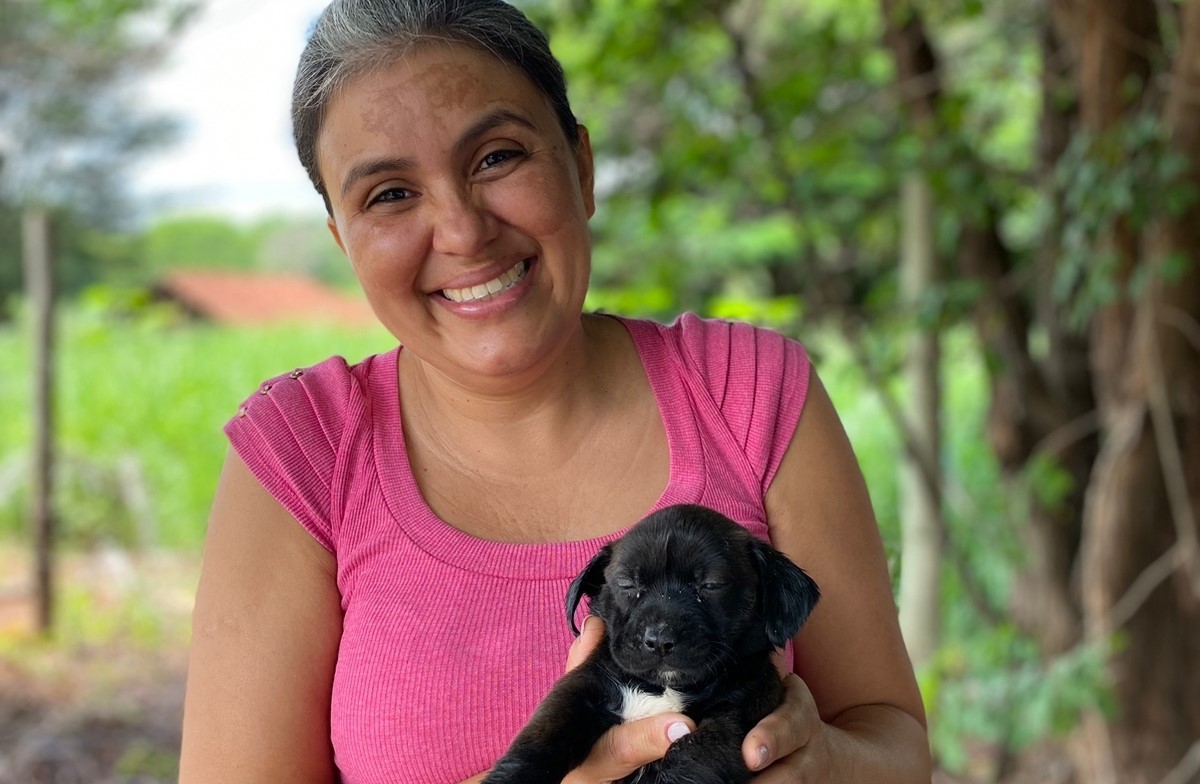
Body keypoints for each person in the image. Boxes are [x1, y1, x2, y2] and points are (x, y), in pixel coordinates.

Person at [177, 0, 932, 782]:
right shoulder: (302, 451)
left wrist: (824, 764)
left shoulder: (751, 394)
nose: (464, 232)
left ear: (582, 166)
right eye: (390, 195)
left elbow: (891, 740)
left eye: (497, 157)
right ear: (342, 236)